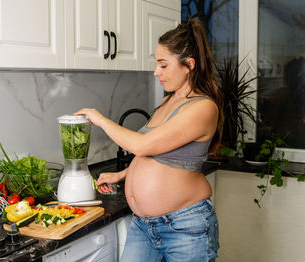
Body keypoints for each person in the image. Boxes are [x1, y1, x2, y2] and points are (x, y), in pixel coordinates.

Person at [75, 18, 223, 262]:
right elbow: (155, 153)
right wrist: (121, 175)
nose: (157, 72)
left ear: (189, 65)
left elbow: (142, 145)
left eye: (163, 65)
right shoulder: (168, 101)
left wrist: (99, 119)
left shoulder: (203, 108)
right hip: (144, 226)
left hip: (185, 227)